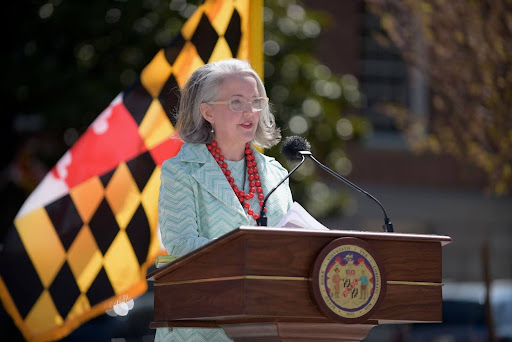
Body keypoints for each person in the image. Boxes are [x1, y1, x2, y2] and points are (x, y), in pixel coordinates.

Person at [155, 58, 293, 342]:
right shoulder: (181, 171)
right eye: (236, 102)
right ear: (207, 112)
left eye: (256, 101)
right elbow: (181, 244)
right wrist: (252, 254)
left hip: (267, 324)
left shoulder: (276, 173)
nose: (250, 111)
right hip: (200, 328)